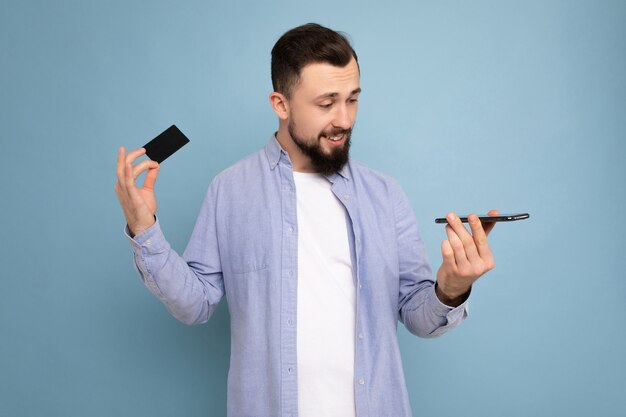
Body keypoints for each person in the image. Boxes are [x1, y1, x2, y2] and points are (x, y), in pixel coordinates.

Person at [114, 23, 498, 417]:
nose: (344, 119)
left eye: (352, 100)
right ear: (281, 104)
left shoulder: (385, 195)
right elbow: (195, 304)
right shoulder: (230, 190)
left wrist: (450, 288)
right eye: (326, 103)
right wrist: (146, 231)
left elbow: (418, 316)